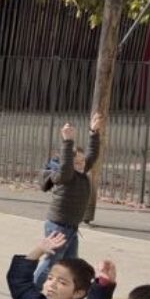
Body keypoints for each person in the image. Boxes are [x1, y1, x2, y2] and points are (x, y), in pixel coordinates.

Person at [35, 117, 103, 286]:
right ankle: (32, 286)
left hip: (71, 227)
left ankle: (68, 291)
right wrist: (67, 141)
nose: (81, 164)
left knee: (71, 263)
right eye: (77, 162)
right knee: (53, 260)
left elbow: (92, 155)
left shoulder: (80, 171)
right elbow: (66, 166)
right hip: (58, 226)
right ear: (67, 164)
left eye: (82, 162)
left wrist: (94, 132)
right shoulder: (65, 176)